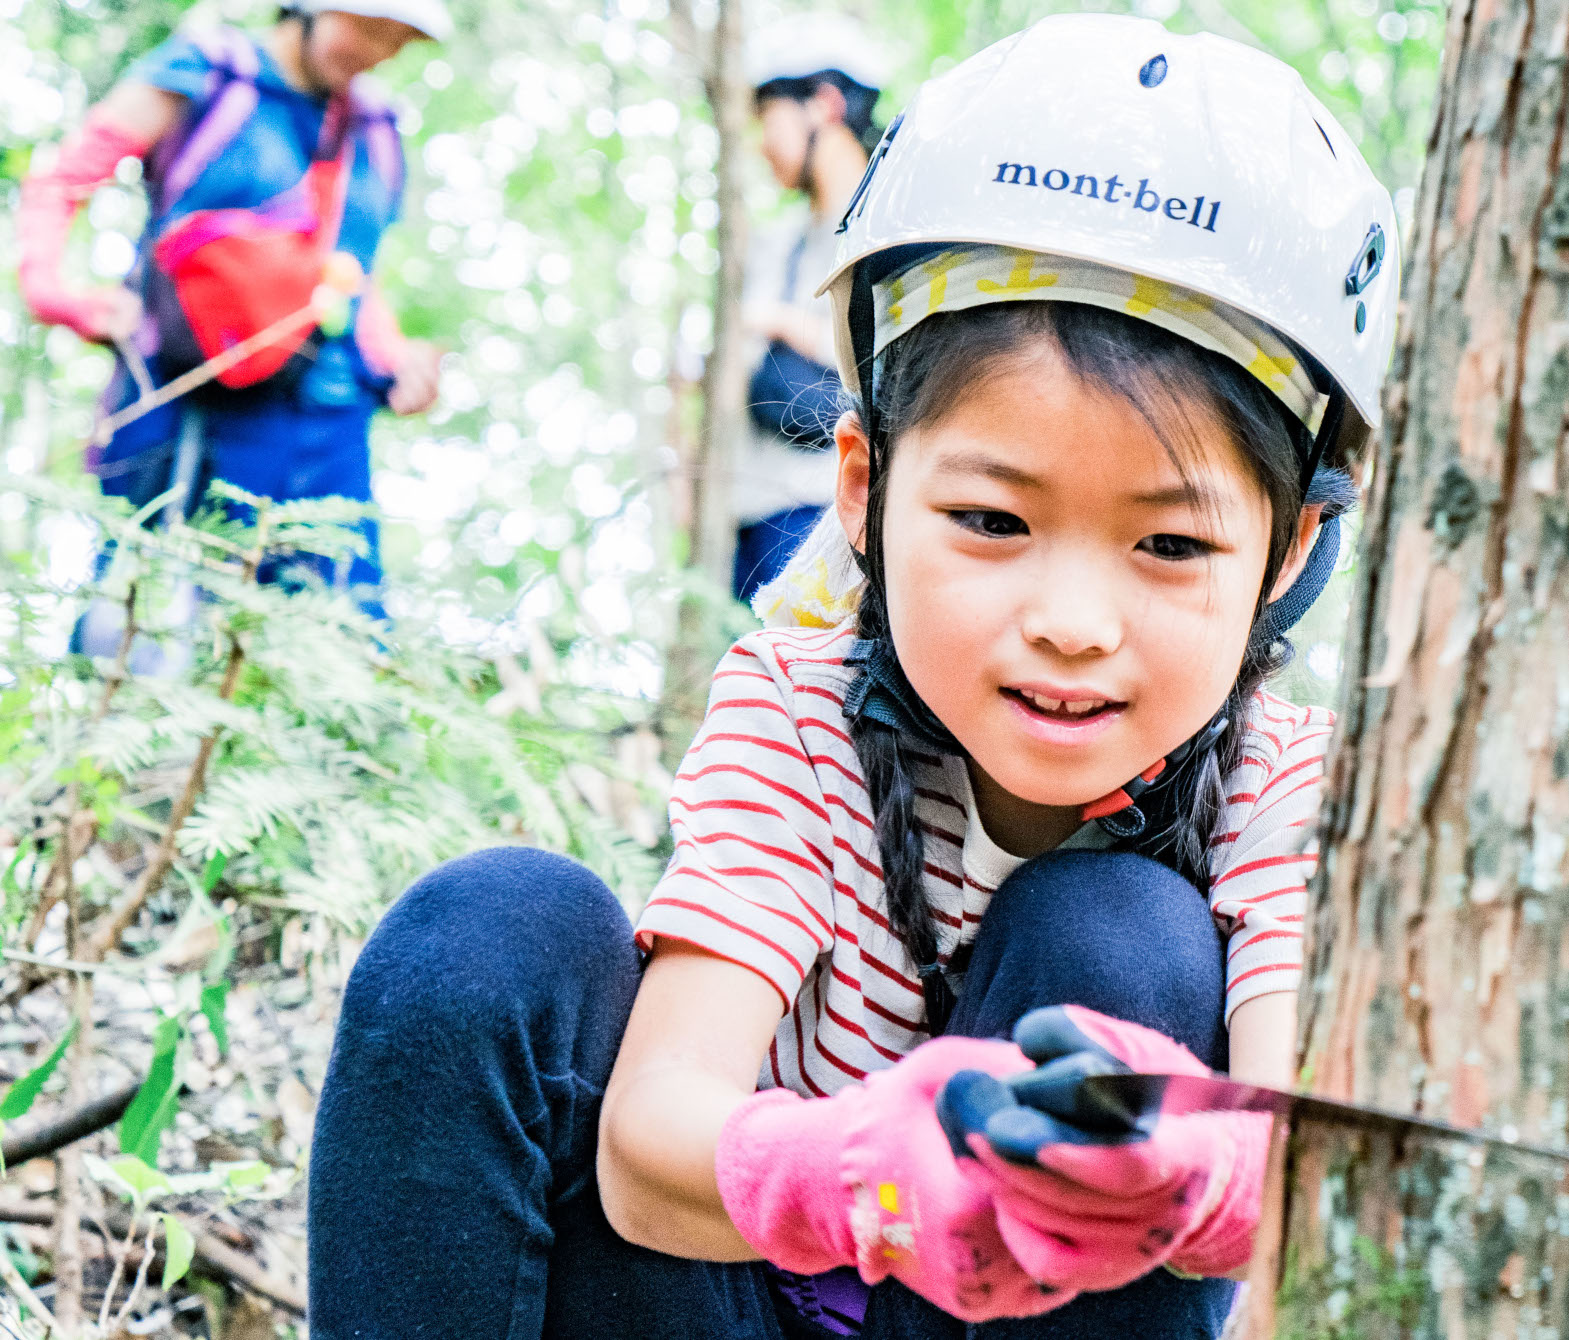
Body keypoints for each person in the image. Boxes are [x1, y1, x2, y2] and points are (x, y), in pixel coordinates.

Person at [304, 13, 1399, 1337]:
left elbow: (1315, 1176)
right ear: (866, 489)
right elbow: (651, 1145)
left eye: (1168, 543)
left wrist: (1203, 1169)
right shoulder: (799, 707)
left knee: (1122, 930)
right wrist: (865, 1176)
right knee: (489, 931)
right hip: (719, 1298)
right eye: (993, 521)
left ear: (1288, 552)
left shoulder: (1284, 787)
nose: (1068, 622)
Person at [16, 0, 447, 633]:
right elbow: (64, 179)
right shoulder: (208, 71)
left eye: (397, 40)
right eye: (366, 26)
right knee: (129, 604)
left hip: (318, 412)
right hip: (172, 377)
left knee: (334, 623)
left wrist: (394, 357)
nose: (378, 51)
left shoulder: (374, 131)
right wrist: (55, 292)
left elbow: (355, 271)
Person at [734, 19, 889, 605]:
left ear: (822, 104)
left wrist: (778, 322)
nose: (761, 143)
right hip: (745, 510)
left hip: (825, 512)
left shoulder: (891, 230)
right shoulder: (776, 244)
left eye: (767, 119)